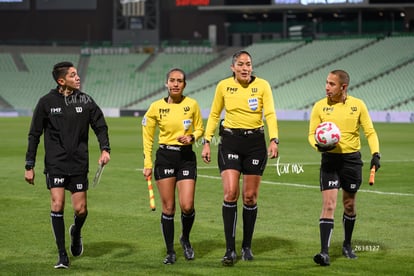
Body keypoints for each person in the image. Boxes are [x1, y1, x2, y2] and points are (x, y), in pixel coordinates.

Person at [24, 61, 111, 269]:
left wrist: (105, 149)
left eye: (77, 74)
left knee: (81, 210)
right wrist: (29, 164)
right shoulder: (46, 102)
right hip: (56, 164)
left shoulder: (86, 101)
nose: (78, 77)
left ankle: (76, 233)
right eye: (73, 75)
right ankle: (62, 255)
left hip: (79, 163)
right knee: (57, 204)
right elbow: (34, 134)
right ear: (61, 80)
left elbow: (100, 126)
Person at [201, 50, 279, 266]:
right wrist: (207, 141)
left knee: (250, 197)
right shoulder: (223, 86)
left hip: (255, 144)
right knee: (230, 193)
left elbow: (270, 114)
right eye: (241, 64)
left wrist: (274, 139)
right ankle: (229, 250)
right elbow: (215, 114)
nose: (245, 68)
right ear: (233, 68)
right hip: (230, 141)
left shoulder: (262, 85)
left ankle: (246, 246)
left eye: (248, 64)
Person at [308, 69, 380, 266]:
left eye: (331, 84)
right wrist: (319, 145)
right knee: (329, 205)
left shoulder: (358, 106)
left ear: (343, 87)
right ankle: (324, 253)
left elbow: (370, 132)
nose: (327, 87)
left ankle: (347, 244)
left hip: (351, 161)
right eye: (326, 83)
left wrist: (376, 154)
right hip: (330, 160)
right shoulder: (319, 107)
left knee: (349, 205)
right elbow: (311, 134)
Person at [142, 68, 204, 265]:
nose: (176, 84)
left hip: (186, 157)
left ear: (184, 84)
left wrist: (192, 136)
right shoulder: (155, 108)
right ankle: (170, 251)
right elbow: (148, 136)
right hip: (165, 157)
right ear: (166, 84)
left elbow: (200, 127)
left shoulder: (192, 104)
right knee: (168, 208)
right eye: (172, 80)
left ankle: (185, 238)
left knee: (187, 205)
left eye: (179, 81)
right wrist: (147, 163)